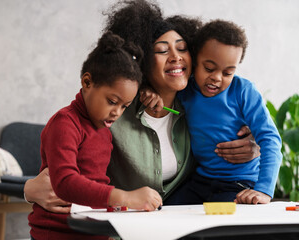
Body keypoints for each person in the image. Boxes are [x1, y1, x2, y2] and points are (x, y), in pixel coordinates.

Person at [24, 0, 260, 213]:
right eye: (162, 50)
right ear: (143, 61)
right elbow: (64, 167)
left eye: (182, 48)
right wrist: (29, 189)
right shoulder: (115, 109)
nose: (176, 57)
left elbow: (231, 142)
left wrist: (254, 144)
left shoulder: (197, 107)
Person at [28, 31, 162, 240]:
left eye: (124, 106)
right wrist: (124, 197)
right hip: (57, 233)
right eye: (112, 101)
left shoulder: (103, 131)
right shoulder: (65, 123)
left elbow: (96, 182)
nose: (117, 112)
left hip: (93, 230)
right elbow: (65, 182)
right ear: (87, 82)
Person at [142, 19, 282, 205]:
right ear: (195, 59)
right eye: (209, 68)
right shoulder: (186, 89)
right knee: (167, 211)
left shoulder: (244, 92)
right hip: (200, 181)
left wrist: (263, 190)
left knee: (217, 225)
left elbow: (270, 139)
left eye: (227, 73)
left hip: (238, 183)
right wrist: (149, 91)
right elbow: (163, 91)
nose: (216, 78)